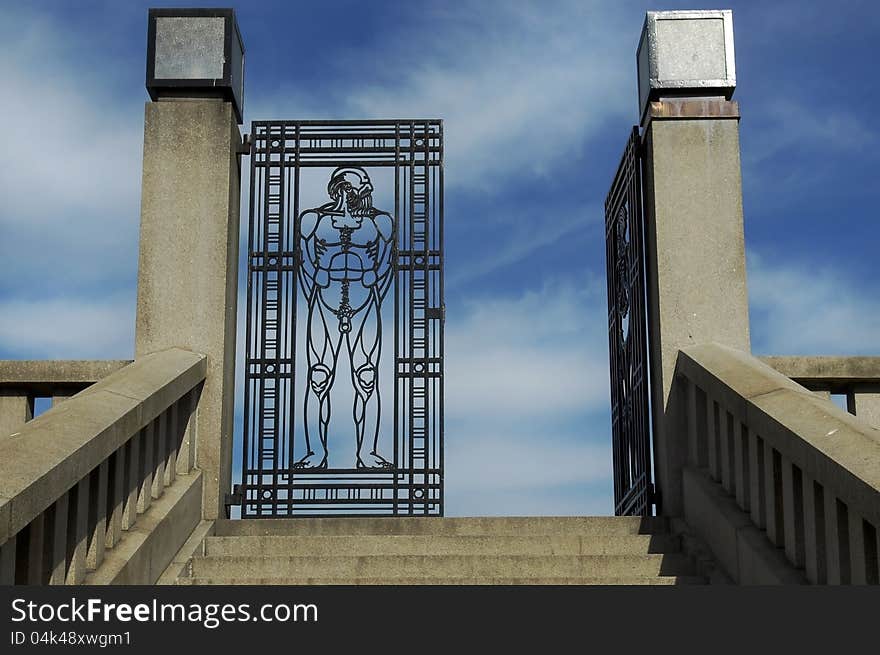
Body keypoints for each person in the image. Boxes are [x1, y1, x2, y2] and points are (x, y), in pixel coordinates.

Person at [295, 167, 394, 469]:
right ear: (338, 189)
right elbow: (303, 263)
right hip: (325, 302)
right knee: (318, 377)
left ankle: (367, 452)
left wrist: (372, 279)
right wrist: (318, 277)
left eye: (362, 188)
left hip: (364, 304)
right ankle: (315, 452)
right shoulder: (313, 221)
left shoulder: (380, 223)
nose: (361, 194)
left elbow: (388, 265)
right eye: (353, 188)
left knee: (367, 377)